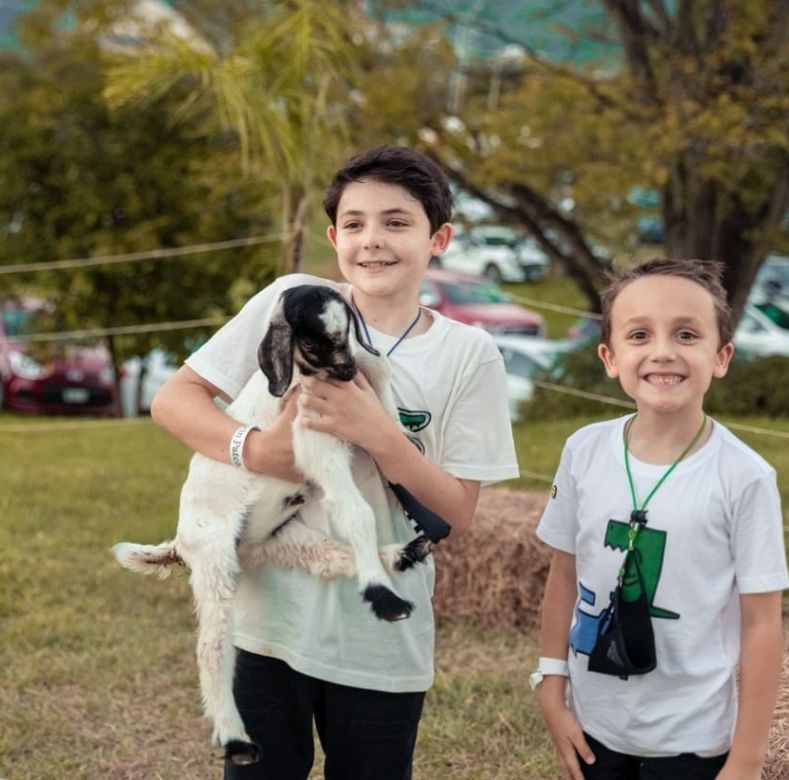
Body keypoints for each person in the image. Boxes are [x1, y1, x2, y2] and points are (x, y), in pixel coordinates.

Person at [150, 145, 519, 779]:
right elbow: (174, 399)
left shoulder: (470, 354)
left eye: (397, 222)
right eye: (355, 224)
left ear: (440, 238)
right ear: (333, 237)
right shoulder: (293, 300)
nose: (373, 240)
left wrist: (380, 435)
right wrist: (256, 450)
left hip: (381, 640)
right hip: (266, 624)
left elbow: (456, 511)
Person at [533, 258, 789, 780]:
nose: (663, 352)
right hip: (594, 731)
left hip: (693, 746)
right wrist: (552, 685)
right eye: (640, 334)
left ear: (721, 357)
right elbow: (564, 574)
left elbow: (763, 623)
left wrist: (746, 761)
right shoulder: (583, 450)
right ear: (610, 357)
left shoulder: (745, 478)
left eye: (687, 334)